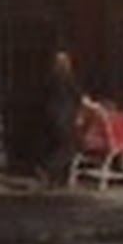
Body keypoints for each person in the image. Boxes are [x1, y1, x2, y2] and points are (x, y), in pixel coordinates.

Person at [41, 49, 89, 189]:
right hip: (64, 116)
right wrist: (92, 105)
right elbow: (78, 95)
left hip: (50, 116)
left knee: (56, 145)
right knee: (69, 147)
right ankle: (48, 168)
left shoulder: (50, 78)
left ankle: (55, 179)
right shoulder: (67, 78)